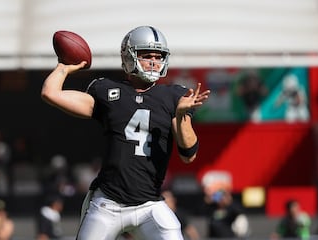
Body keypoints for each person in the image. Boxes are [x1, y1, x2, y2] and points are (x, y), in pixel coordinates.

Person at [41, 25, 211, 240]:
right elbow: (50, 93)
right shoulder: (107, 90)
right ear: (129, 57)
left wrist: (182, 115)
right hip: (107, 203)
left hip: (149, 205)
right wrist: (64, 67)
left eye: (158, 56)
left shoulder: (174, 96)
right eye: (146, 55)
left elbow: (189, 155)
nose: (153, 61)